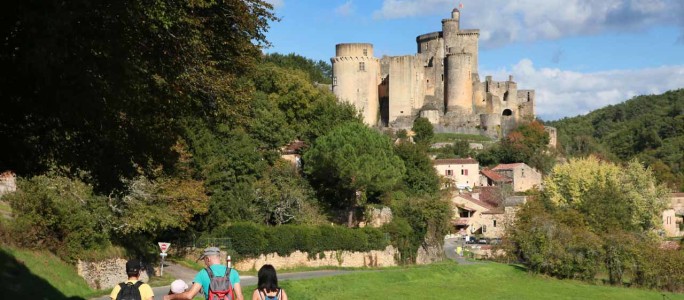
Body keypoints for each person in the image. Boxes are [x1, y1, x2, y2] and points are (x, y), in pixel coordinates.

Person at [164, 247, 243, 300]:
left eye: (204, 259)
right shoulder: (233, 272)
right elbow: (240, 298)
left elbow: (189, 296)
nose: (204, 262)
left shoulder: (203, 273)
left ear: (208, 259)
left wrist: (170, 297)